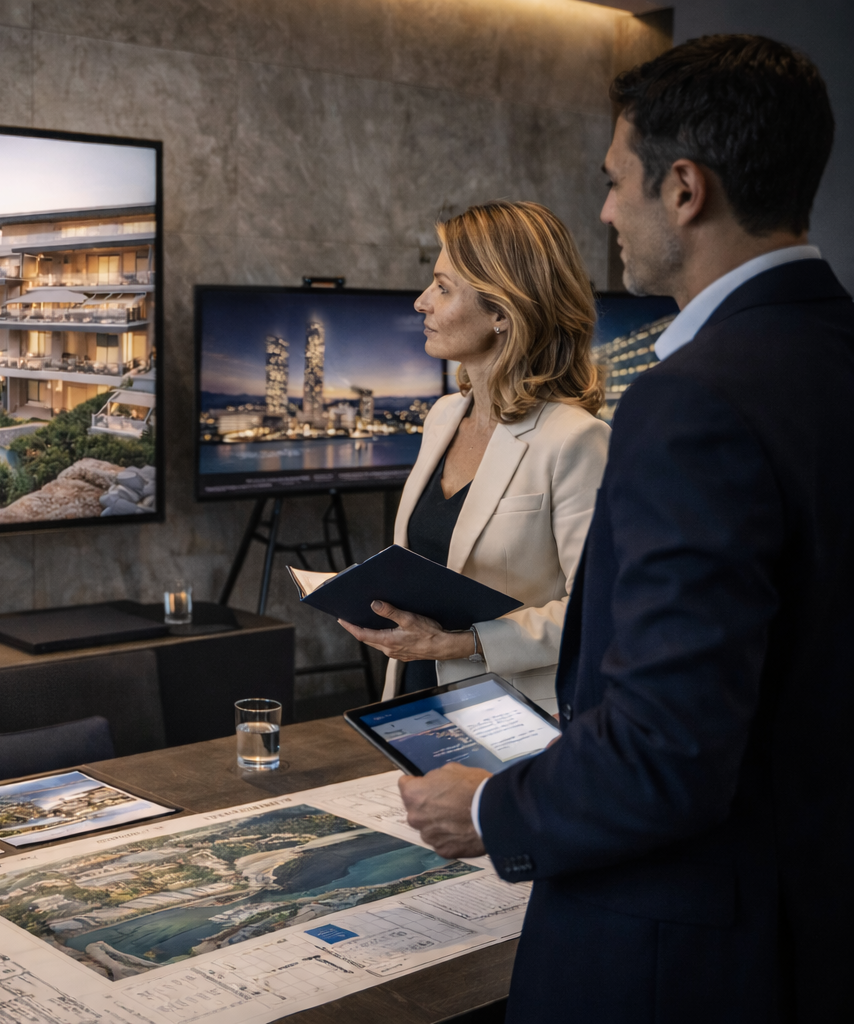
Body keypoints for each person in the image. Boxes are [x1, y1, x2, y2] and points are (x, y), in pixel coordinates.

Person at [399, 35, 849, 1021]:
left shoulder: (693, 404)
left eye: (613, 182)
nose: (602, 212)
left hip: (683, 953)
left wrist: (485, 808)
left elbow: (667, 748)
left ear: (684, 188)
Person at [338, 201, 609, 714]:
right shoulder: (441, 417)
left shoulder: (575, 440)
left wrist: (464, 644)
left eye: (442, 287)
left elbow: (597, 611)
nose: (421, 302)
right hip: (415, 698)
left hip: (516, 716)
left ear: (503, 312)